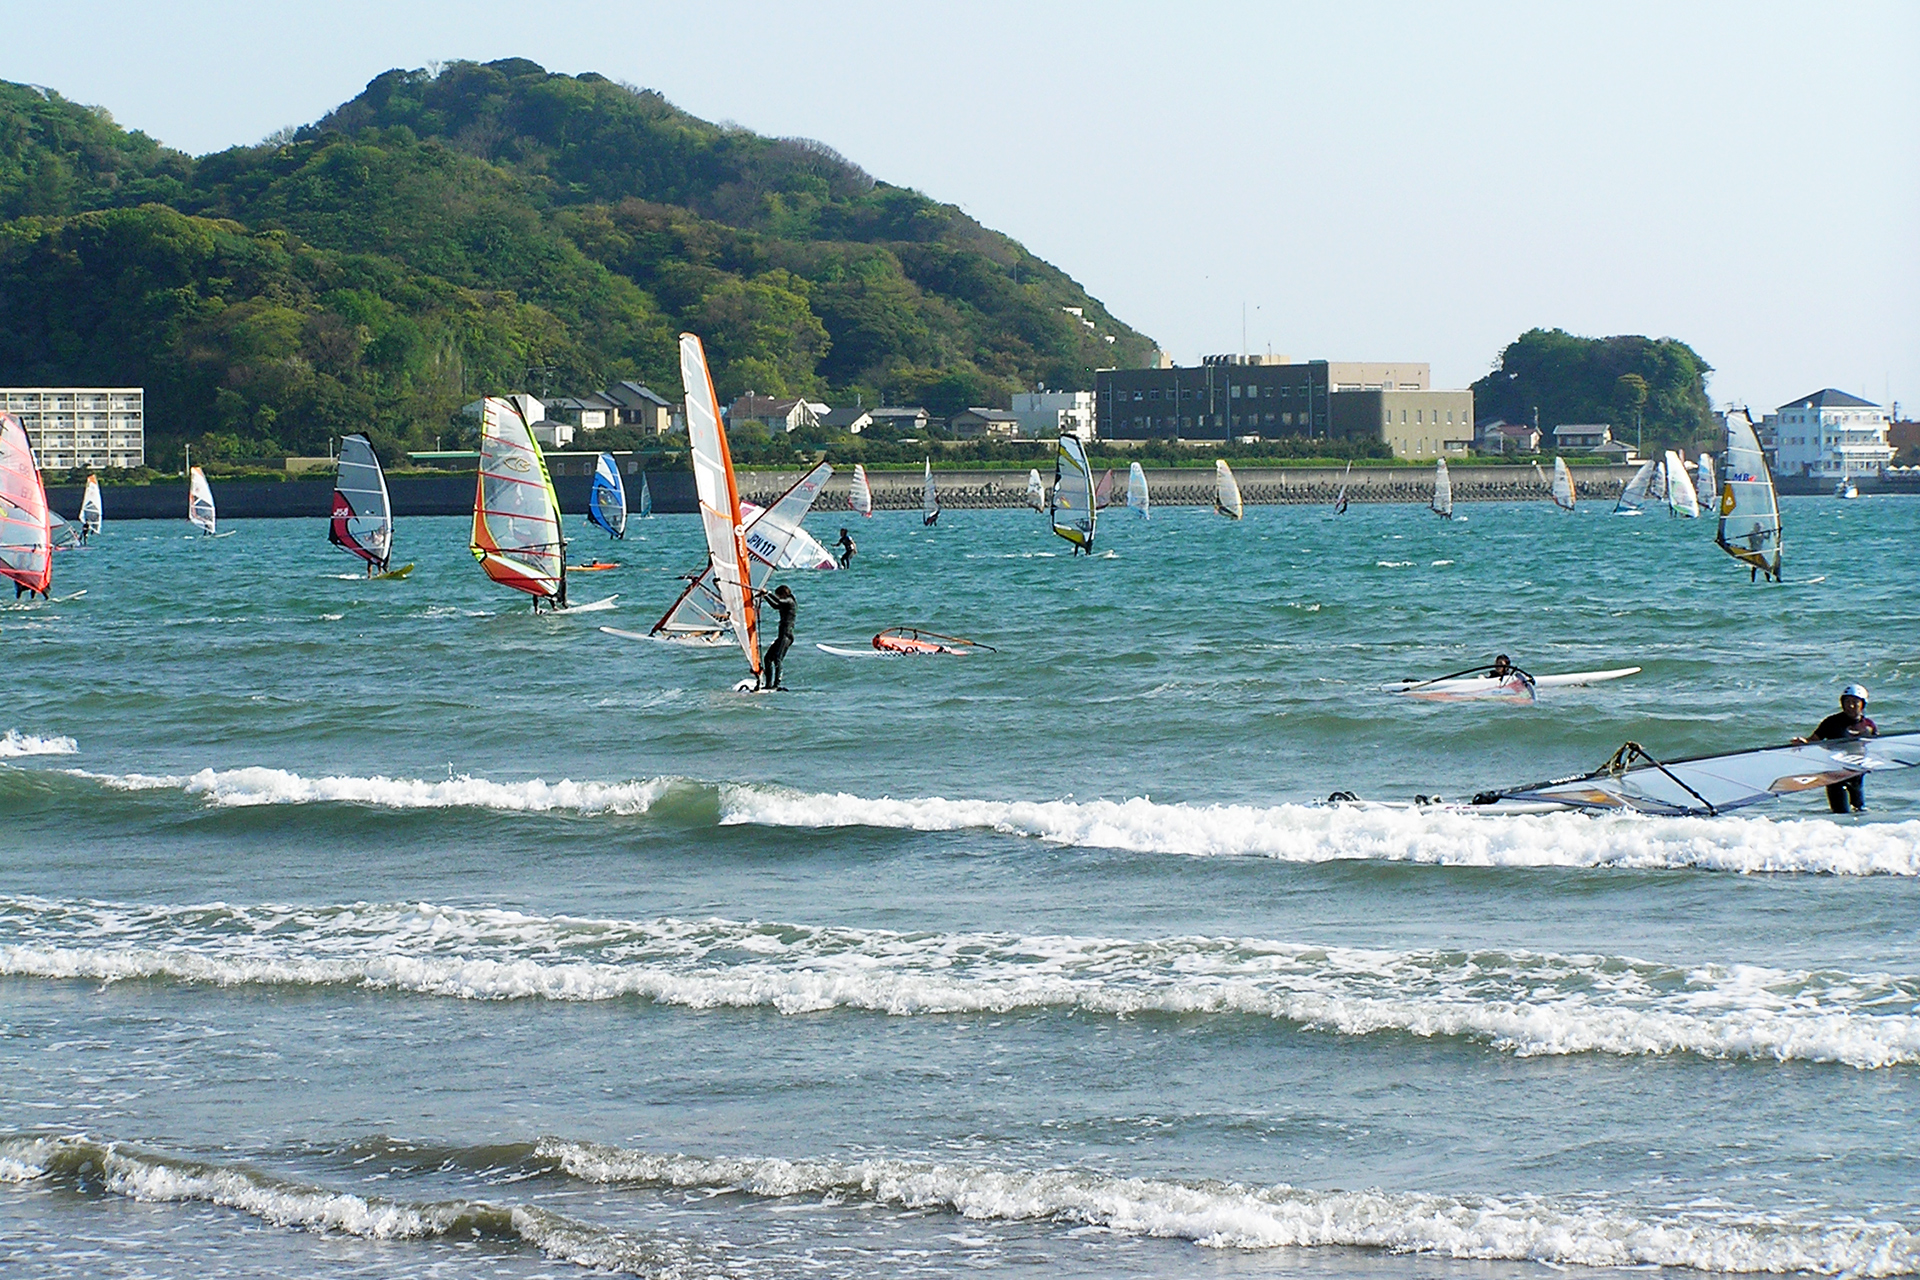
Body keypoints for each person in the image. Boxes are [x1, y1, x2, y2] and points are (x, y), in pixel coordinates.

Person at [1793, 684, 1877, 813]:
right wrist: (1802, 742)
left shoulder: (1869, 726)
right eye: (1847, 702)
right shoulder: (1831, 722)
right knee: (1841, 812)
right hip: (1834, 775)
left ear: (1863, 704)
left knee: (1860, 811)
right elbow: (1813, 740)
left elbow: (1877, 747)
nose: (1851, 706)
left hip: (1857, 774)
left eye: (1855, 702)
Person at [756, 583, 797, 691]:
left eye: (779, 595)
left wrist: (767, 592)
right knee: (767, 658)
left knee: (778, 659)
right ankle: (768, 684)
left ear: (783, 594)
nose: (778, 597)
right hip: (781, 636)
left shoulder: (790, 601)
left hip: (787, 635)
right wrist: (765, 596)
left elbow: (779, 602)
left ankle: (776, 684)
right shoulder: (784, 603)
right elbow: (775, 606)